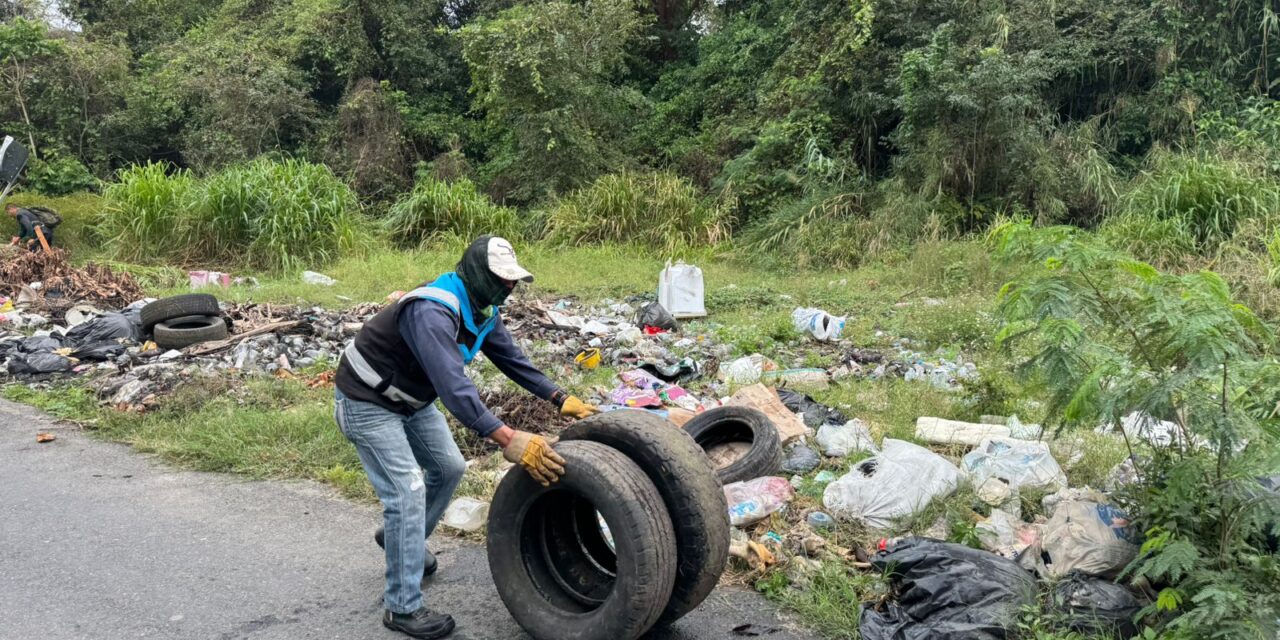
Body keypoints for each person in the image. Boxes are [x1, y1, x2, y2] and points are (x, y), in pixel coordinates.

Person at [334, 235, 599, 640]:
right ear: (477, 274)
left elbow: (511, 359)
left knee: (449, 467)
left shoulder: (481, 309)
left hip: (410, 400)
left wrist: (560, 397)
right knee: (407, 491)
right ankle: (402, 608)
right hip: (367, 400)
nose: (509, 288)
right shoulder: (432, 312)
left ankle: (399, 541)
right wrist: (507, 437)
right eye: (502, 280)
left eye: (512, 281)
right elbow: (455, 389)